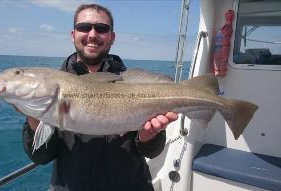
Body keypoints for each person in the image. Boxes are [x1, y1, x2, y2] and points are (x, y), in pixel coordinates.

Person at [22, 4, 178, 191]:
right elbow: (41, 157)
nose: (92, 34)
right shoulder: (54, 86)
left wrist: (148, 136)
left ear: (112, 37)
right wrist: (34, 116)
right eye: (84, 27)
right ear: (73, 35)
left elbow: (152, 151)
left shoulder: (130, 83)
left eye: (101, 28)